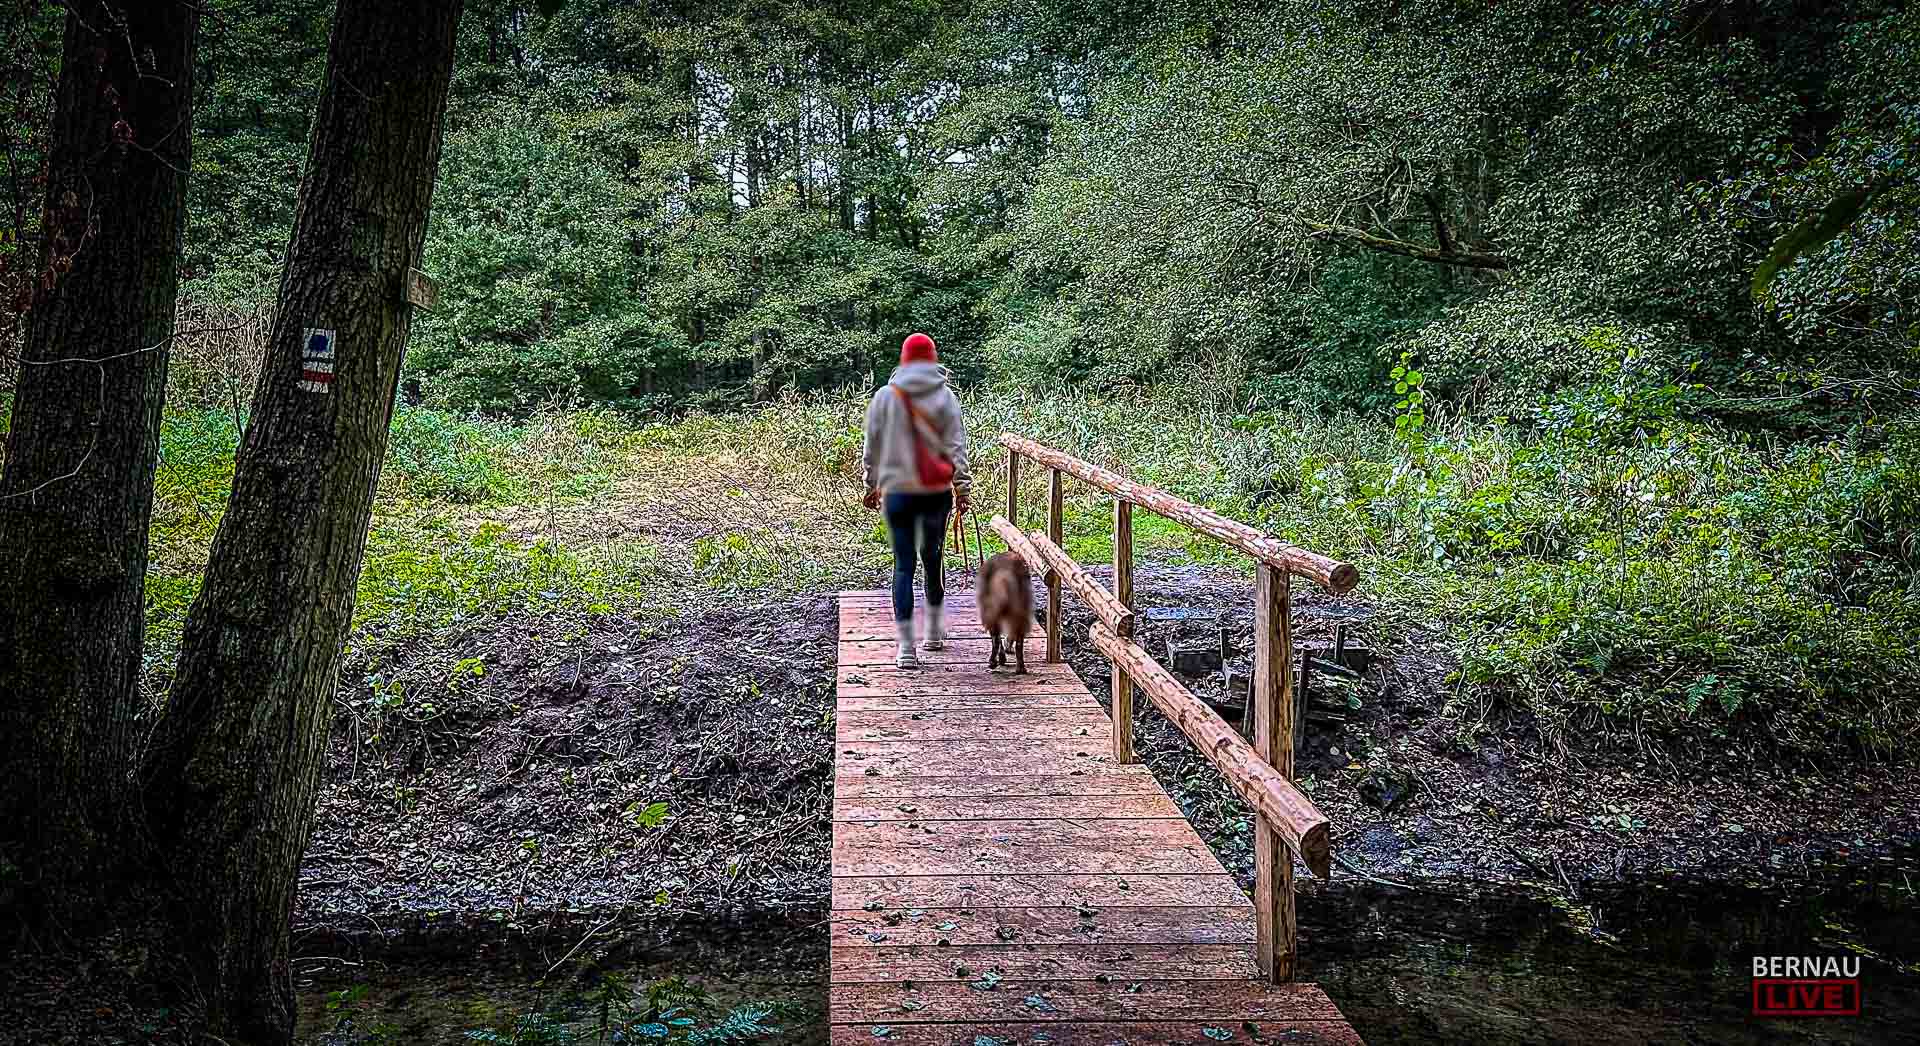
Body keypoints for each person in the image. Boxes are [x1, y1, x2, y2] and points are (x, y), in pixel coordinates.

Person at [862, 332, 972, 668]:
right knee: (933, 559)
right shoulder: (946, 397)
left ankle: (906, 649)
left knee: (903, 564)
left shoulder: (884, 396)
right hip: (936, 493)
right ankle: (935, 632)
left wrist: (871, 484)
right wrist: (963, 487)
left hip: (897, 492)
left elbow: (872, 449)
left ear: (904, 359)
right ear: (932, 358)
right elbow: (956, 447)